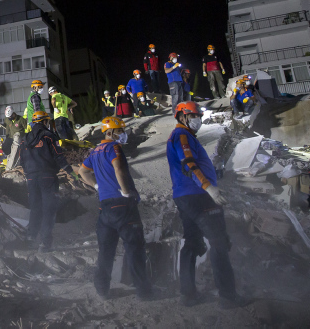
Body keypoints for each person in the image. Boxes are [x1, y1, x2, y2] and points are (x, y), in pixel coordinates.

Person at [167, 101, 247, 308]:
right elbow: (189, 164)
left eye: (199, 116)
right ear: (182, 116)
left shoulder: (184, 135)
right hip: (199, 196)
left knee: (192, 242)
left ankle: (188, 295)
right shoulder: (182, 135)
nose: (198, 120)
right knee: (219, 242)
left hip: (185, 197)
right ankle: (228, 297)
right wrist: (208, 187)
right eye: (194, 116)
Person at [79, 117, 153, 301]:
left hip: (105, 208)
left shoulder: (95, 151)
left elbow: (82, 171)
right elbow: (119, 169)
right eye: (120, 130)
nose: (123, 134)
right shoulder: (114, 148)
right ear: (110, 132)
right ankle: (143, 292)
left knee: (106, 251)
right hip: (122, 205)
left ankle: (102, 290)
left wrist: (96, 186)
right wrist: (126, 192)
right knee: (134, 248)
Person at [19, 110, 79, 251]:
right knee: (48, 209)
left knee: (35, 208)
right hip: (47, 177)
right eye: (47, 121)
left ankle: (30, 239)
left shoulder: (24, 139)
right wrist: (71, 172)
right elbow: (58, 156)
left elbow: (22, 161)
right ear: (44, 121)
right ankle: (45, 243)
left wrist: (29, 173)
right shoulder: (49, 136)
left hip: (31, 178)